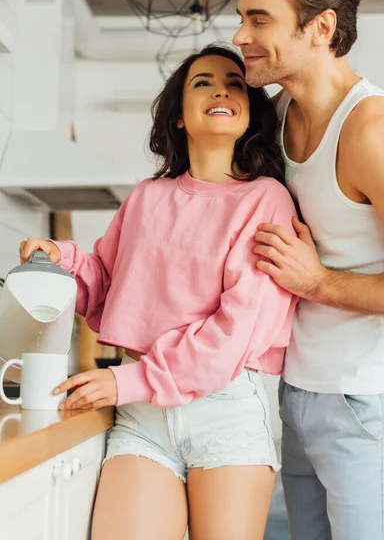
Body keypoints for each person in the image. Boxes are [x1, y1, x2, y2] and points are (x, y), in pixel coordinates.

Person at [20, 45, 298, 540]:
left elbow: (233, 333)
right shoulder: (147, 197)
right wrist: (61, 259)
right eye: (202, 82)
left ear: (251, 111)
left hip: (223, 412)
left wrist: (128, 383)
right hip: (142, 420)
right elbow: (106, 283)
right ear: (177, 118)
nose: (221, 89)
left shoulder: (265, 199)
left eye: (236, 83)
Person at [233, 0, 384, 539]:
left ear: (320, 27)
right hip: (294, 394)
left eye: (260, 19)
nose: (240, 35)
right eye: (242, 16)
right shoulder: (275, 113)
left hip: (360, 403)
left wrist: (318, 282)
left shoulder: (376, 131)